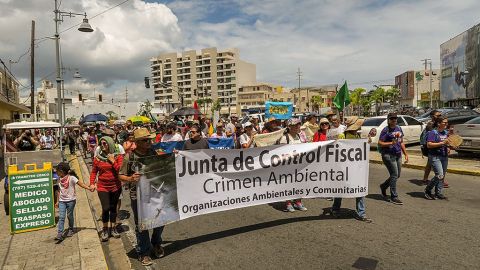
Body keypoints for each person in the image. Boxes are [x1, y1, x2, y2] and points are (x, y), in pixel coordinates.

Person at [119, 128, 165, 266]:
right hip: (137, 195)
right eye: (145, 140)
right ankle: (143, 252)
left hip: (154, 192)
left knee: (161, 218)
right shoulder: (129, 157)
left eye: (149, 139)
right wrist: (130, 178)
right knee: (142, 224)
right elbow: (120, 176)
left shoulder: (153, 152)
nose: (149, 142)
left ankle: (156, 243)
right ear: (137, 142)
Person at [330, 117, 372, 222]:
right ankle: (335, 209)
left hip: (356, 169)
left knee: (360, 189)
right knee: (340, 189)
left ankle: (361, 213)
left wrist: (367, 142)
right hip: (343, 169)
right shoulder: (342, 136)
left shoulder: (358, 135)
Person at [90, 136, 124, 241]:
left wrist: (113, 161)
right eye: (101, 144)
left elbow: (121, 170)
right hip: (102, 186)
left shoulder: (118, 156)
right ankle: (105, 229)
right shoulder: (98, 158)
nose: (103, 145)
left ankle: (113, 228)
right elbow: (94, 171)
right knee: (105, 208)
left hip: (116, 186)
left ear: (110, 144)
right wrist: (92, 183)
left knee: (113, 208)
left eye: (105, 143)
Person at [55, 162, 92, 240]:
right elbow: (59, 191)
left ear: (61, 171)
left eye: (57, 171)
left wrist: (88, 188)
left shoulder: (72, 178)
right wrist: (58, 201)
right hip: (62, 201)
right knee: (61, 217)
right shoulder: (59, 179)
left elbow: (81, 184)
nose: (56, 172)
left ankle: (71, 229)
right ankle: (60, 233)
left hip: (71, 201)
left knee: (69, 215)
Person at [378, 113, 409, 205]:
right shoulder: (386, 130)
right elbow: (380, 143)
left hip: (398, 154)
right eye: (392, 119)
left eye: (395, 119)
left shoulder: (399, 128)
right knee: (394, 174)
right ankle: (394, 196)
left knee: (397, 175)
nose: (394, 120)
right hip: (388, 155)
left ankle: (383, 186)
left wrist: (406, 154)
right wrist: (390, 143)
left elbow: (401, 142)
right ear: (388, 120)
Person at [278, 118, 307, 212]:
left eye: (298, 124)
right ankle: (288, 203)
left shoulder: (301, 136)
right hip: (288, 166)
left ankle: (298, 201)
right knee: (288, 184)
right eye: (295, 125)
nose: (297, 126)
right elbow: (281, 152)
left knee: (299, 184)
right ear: (289, 127)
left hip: (299, 165)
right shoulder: (285, 138)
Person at [424, 117, 450, 200]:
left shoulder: (445, 132)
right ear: (439, 124)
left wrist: (449, 147)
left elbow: (446, 143)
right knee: (439, 175)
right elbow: (429, 145)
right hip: (435, 156)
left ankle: (438, 193)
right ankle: (428, 190)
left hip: (444, 155)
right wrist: (442, 143)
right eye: (444, 122)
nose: (446, 124)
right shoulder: (433, 132)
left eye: (447, 122)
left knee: (442, 176)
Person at [420, 110, 445, 185]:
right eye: (438, 115)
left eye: (440, 115)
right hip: (432, 146)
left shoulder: (437, 124)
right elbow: (432, 137)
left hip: (437, 146)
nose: (439, 116)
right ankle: (438, 180)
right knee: (433, 163)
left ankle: (426, 179)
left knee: (430, 163)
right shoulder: (431, 124)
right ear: (432, 116)